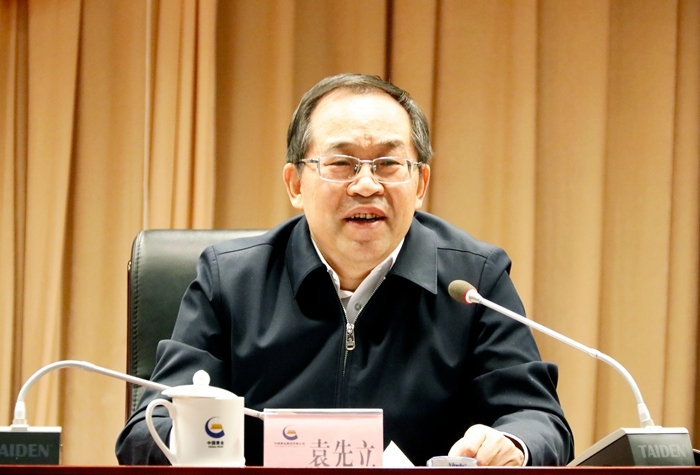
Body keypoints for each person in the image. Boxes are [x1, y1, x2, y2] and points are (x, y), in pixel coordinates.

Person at [116, 73, 574, 467]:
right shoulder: (231, 280)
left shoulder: (473, 281)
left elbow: (538, 420)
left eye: (389, 163)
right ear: (295, 183)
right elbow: (147, 430)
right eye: (341, 163)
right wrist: (200, 441)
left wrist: (511, 444)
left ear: (420, 183)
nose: (367, 185)